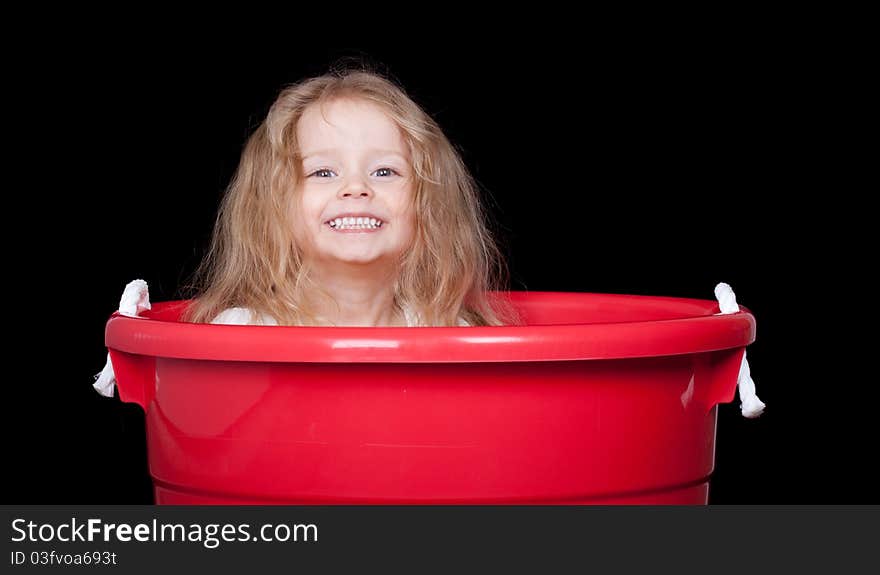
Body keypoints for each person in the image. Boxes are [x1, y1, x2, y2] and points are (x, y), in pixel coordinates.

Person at [179, 66, 520, 327]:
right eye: (323, 172)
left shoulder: (448, 330)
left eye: (385, 172)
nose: (356, 187)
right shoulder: (240, 330)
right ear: (272, 205)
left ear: (428, 204)